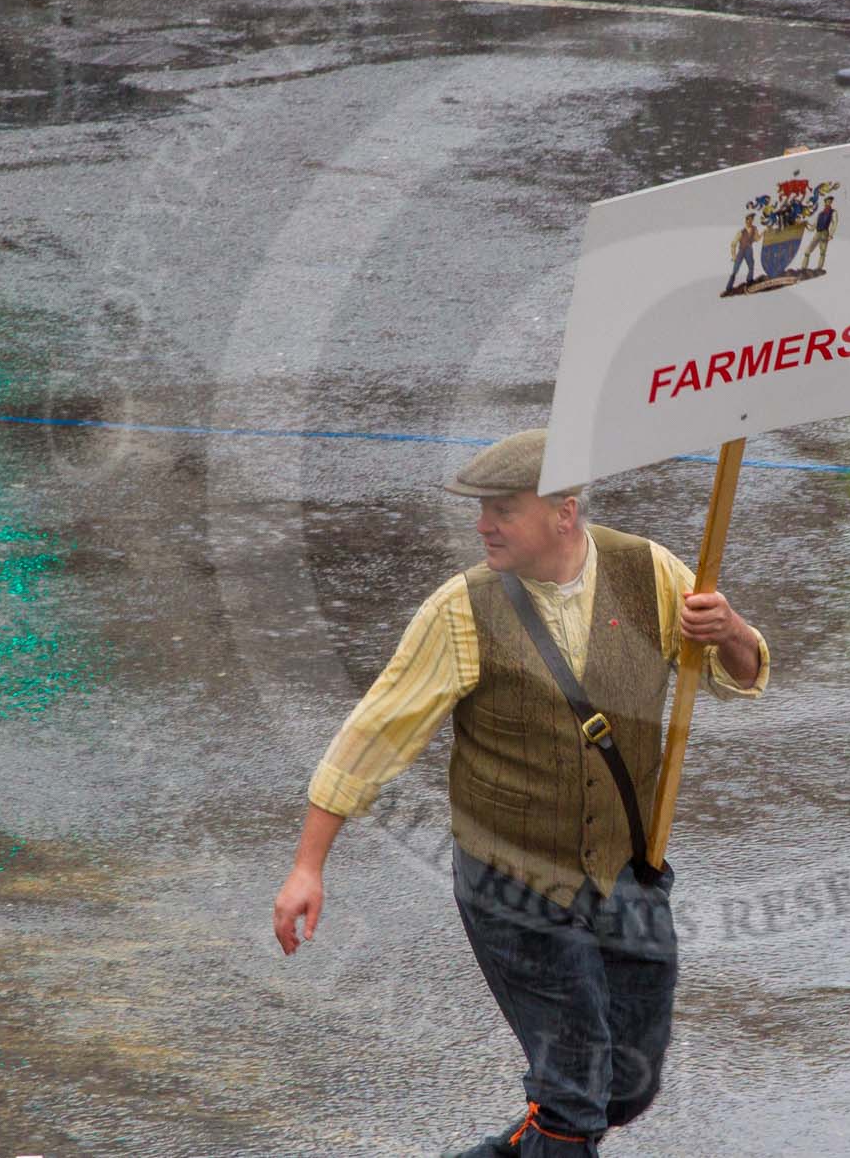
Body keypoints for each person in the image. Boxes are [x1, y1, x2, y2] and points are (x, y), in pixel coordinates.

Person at [273, 430, 769, 1158]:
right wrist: (307, 865)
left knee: (624, 1086)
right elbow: (372, 738)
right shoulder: (460, 610)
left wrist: (727, 629)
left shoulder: (650, 572)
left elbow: (744, 670)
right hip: (512, 884)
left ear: (564, 512)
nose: (483, 525)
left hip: (628, 873)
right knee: (574, 1096)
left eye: (502, 508)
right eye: (483, 510)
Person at [799, 196, 835, 274]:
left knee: (822, 252)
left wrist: (831, 234)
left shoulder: (833, 212)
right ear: (825, 202)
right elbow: (813, 227)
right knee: (807, 251)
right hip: (818, 233)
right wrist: (806, 225)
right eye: (827, 201)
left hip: (825, 233)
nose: (828, 202)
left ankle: (819, 268)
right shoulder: (820, 214)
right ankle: (803, 268)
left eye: (830, 201)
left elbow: (834, 223)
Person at [726, 211, 761, 292]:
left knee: (751, 265)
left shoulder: (754, 229)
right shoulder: (741, 231)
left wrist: (762, 234)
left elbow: (756, 239)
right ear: (746, 221)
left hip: (749, 250)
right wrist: (734, 256)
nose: (751, 221)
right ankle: (729, 286)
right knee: (735, 268)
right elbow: (733, 244)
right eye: (749, 220)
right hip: (741, 250)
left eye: (752, 219)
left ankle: (749, 281)